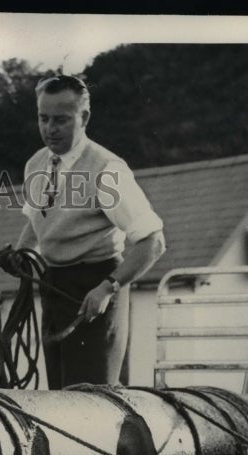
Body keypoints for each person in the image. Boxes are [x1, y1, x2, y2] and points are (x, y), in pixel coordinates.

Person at [17, 74, 166, 390]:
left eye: (61, 120)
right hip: (54, 288)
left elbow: (153, 242)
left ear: (84, 117)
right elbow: (35, 221)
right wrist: (19, 254)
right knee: (58, 399)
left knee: (92, 403)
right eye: (43, 119)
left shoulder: (107, 169)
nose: (50, 128)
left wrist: (108, 288)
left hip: (96, 288)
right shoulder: (35, 165)